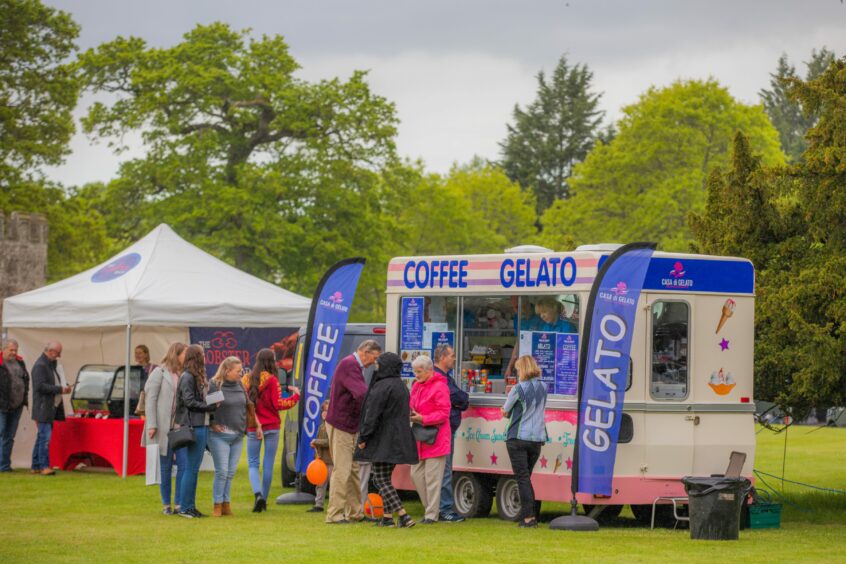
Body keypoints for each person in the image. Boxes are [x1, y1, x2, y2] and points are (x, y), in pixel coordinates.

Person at [354, 352, 418, 528]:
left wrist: (364, 437)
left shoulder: (381, 386)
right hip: (399, 438)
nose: (377, 368)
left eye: (379, 365)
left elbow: (371, 415)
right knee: (386, 478)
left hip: (383, 439)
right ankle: (388, 518)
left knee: (380, 479)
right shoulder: (401, 385)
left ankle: (403, 515)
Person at [324, 339, 382, 524]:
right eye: (374, 358)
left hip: (349, 425)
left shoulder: (353, 366)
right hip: (342, 425)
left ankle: (355, 513)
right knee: (342, 470)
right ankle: (334, 514)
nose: (374, 362)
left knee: (354, 470)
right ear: (365, 351)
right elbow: (361, 394)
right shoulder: (350, 365)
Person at [242, 348, 300, 513]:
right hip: (272, 426)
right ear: (271, 361)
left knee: (253, 463)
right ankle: (264, 501)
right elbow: (279, 404)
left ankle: (257, 494)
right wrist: (295, 396)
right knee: (268, 464)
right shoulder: (273, 380)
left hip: (253, 426)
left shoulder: (245, 379)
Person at [501, 355, 548, 528]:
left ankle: (529, 518)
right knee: (526, 478)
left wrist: (506, 410)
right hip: (537, 439)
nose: (517, 372)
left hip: (518, 437)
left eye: (518, 369)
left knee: (522, 478)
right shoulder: (544, 387)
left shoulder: (518, 389)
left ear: (523, 369)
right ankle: (530, 514)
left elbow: (505, 411)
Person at [142, 342, 189, 514]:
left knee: (184, 465)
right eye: (185, 353)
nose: (187, 356)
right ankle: (166, 504)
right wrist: (152, 424)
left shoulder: (185, 373)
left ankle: (179, 503)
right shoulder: (159, 372)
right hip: (162, 428)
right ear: (176, 354)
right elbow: (150, 400)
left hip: (180, 427)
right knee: (165, 467)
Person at [175, 344, 219, 518]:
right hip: (195, 425)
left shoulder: (194, 376)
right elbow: (189, 402)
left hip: (201, 424)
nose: (205, 356)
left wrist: (212, 402)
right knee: (191, 468)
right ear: (196, 357)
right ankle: (186, 507)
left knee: (193, 468)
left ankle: (190, 506)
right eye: (202, 354)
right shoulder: (187, 377)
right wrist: (209, 406)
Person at [408, 354, 451, 524]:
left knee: (433, 479)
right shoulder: (417, 386)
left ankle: (431, 514)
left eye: (418, 371)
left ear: (429, 371)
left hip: (436, 438)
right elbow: (411, 404)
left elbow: (444, 413)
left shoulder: (440, 387)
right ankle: (430, 509)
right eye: (414, 371)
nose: (416, 375)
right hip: (420, 437)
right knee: (416, 475)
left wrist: (422, 418)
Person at [208, 356, 252, 517]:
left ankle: (226, 504)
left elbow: (247, 404)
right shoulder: (214, 385)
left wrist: (254, 425)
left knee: (231, 472)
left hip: (238, 435)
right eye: (238, 371)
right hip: (219, 436)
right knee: (222, 472)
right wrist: (212, 423)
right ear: (227, 371)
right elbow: (207, 407)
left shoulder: (240, 385)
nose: (241, 374)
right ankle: (217, 505)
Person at [432, 344, 468, 522]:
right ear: (442, 357)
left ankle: (438, 507)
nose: (454, 358)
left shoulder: (446, 377)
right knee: (444, 469)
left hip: (445, 429)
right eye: (452, 355)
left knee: (442, 469)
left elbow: (460, 398)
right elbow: (460, 397)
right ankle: (444, 508)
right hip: (442, 430)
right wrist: (461, 399)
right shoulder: (440, 378)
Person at [30, 341, 72, 475]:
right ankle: (44, 466)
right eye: (58, 353)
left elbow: (52, 383)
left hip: (48, 407)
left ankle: (36, 465)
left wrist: (64, 386)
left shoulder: (49, 365)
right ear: (51, 351)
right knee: (45, 438)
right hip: (43, 407)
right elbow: (40, 386)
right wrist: (60, 389)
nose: (59, 356)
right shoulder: (40, 365)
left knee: (41, 437)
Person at [0, 339, 29, 472]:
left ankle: (4, 466)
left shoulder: (20, 362)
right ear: (3, 349)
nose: (14, 352)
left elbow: (25, 380)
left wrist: (24, 400)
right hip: (2, 406)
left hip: (17, 406)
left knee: (9, 437)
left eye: (15, 350)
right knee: (1, 434)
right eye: (11, 350)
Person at [307, 400, 332, 513]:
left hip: (331, 461)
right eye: (323, 410)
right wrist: (315, 447)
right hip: (322, 460)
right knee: (320, 484)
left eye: (327, 411)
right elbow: (320, 443)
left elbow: (329, 442)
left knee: (334, 484)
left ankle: (334, 505)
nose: (324, 413)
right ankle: (319, 504)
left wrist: (316, 441)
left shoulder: (332, 427)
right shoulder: (322, 426)